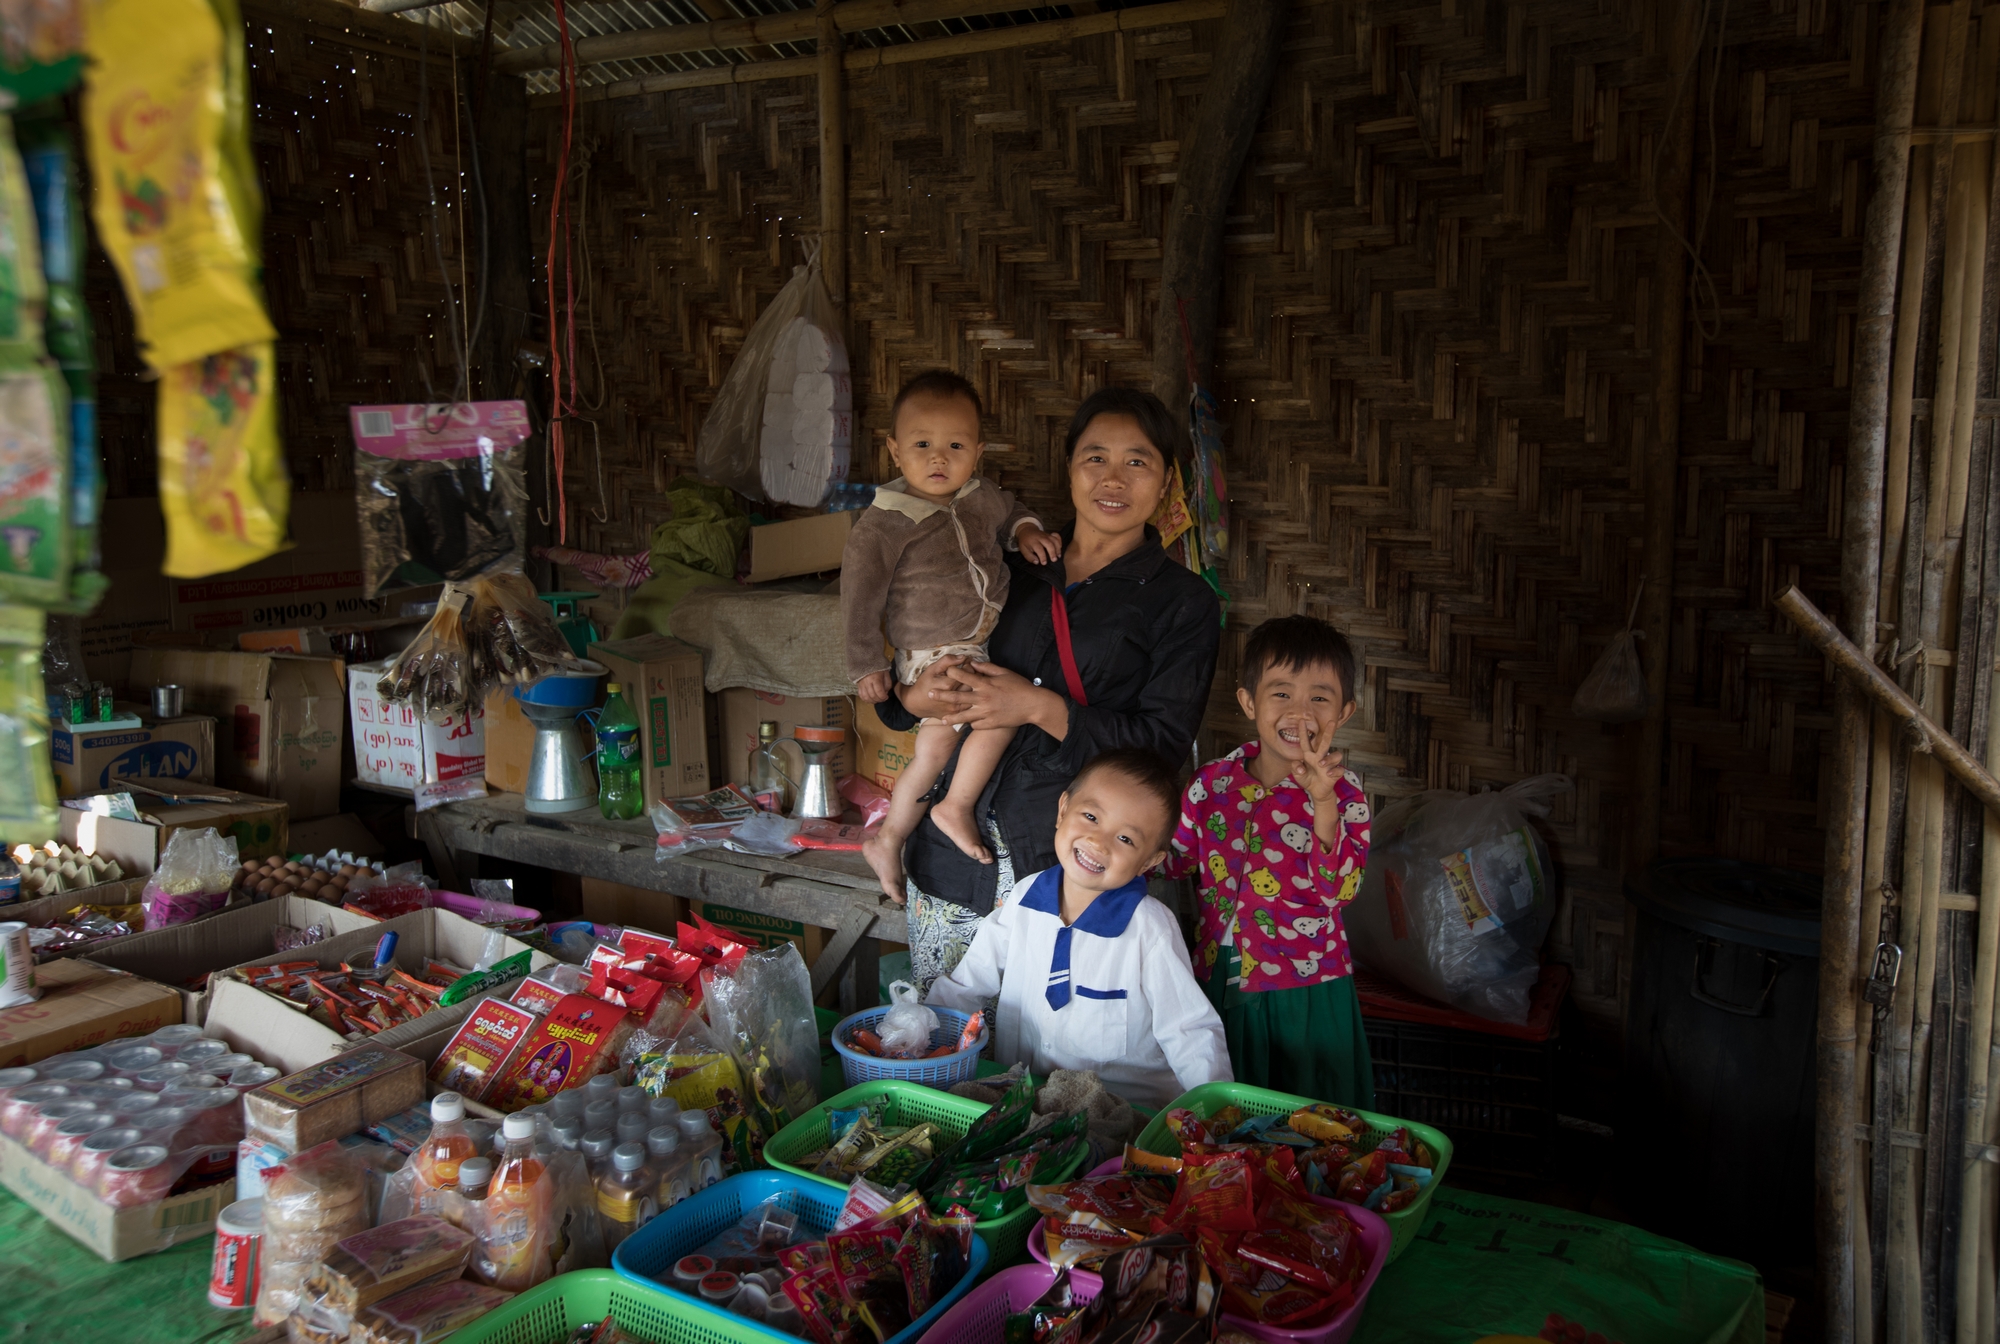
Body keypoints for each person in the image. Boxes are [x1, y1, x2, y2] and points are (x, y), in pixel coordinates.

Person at [875, 386, 1222, 995]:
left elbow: (1161, 747)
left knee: (1051, 1062)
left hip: (1068, 876)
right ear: (1069, 469)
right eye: (1096, 457)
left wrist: (1038, 707)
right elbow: (919, 648)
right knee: (948, 1044)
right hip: (948, 863)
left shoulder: (1183, 604)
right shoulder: (1006, 562)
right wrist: (908, 701)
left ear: (1167, 482)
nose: (1113, 478)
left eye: (1137, 461)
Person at [841, 371, 1063, 902]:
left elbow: (1012, 514)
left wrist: (1028, 531)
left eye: (955, 446)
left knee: (936, 746)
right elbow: (858, 596)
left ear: (978, 451)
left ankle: (889, 837)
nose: (938, 459)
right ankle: (954, 808)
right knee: (999, 714)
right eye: (922, 445)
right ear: (894, 451)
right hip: (931, 653)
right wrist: (867, 664)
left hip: (972, 646)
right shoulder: (884, 522)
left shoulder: (982, 496)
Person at [926, 748, 1231, 1109]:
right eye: (1090, 816)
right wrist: (924, 1035)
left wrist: (1213, 1112)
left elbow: (1189, 1031)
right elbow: (966, 984)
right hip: (1028, 1098)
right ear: (1062, 809)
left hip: (1124, 1112)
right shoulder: (1025, 898)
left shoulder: (1150, 929)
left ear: (1149, 861)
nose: (1098, 842)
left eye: (1126, 839)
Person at [1163, 614, 1376, 1107]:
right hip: (1218, 978)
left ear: (1343, 713)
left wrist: (1322, 802)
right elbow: (1172, 861)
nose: (1299, 711)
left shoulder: (1346, 796)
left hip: (1304, 985)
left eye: (1319, 698)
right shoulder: (1211, 784)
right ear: (1248, 701)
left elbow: (1338, 892)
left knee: (1309, 1118)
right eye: (1281, 693)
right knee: (1227, 1112)